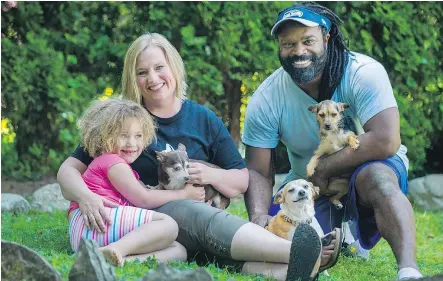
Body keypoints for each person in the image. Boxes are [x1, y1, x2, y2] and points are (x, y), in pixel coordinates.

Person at [57, 32, 340, 281]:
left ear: (174, 69)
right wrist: (86, 196)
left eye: (159, 68)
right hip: (144, 221)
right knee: (195, 213)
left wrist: (210, 175)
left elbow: (241, 179)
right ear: (133, 78)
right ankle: (297, 250)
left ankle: (301, 267)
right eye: (142, 72)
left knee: (207, 241)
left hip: (185, 231)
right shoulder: (122, 120)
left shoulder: (202, 118)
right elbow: (68, 170)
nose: (153, 79)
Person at [242, 2, 422, 280]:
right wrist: (257, 217)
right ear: (278, 46)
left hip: (370, 166)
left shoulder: (363, 72)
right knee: (283, 226)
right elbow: (257, 170)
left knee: (376, 176)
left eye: (308, 40)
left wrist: (325, 168)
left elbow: (386, 140)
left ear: (326, 38)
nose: (299, 51)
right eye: (288, 44)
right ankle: (341, 238)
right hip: (309, 182)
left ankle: (409, 270)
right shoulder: (266, 97)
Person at [67, 98, 191, 266]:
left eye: (138, 136)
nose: (132, 143)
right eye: (123, 136)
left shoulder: (119, 166)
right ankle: (117, 249)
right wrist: (184, 194)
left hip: (87, 233)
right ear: (103, 136)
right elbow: (143, 199)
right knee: (168, 225)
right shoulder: (112, 162)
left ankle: (121, 260)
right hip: (93, 222)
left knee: (179, 250)